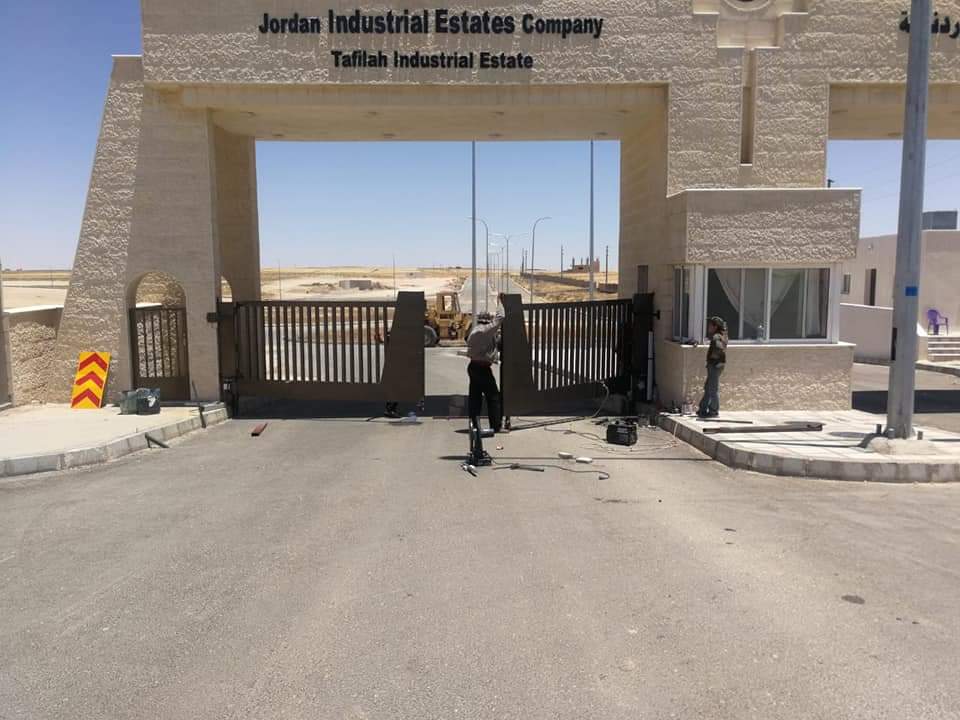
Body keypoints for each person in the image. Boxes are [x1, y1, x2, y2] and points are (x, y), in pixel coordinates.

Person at [466, 311, 504, 433]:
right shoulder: (485, 330)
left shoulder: (475, 329)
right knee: (493, 397)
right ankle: (496, 426)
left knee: (475, 398)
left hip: (474, 366)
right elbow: (500, 318)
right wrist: (500, 305)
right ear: (488, 321)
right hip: (482, 369)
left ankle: (474, 426)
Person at [697, 316, 728, 418]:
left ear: (715, 326)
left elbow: (719, 350)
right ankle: (702, 409)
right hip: (715, 365)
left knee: (713, 389)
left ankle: (713, 411)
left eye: (710, 325)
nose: (708, 327)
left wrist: (713, 362)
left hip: (715, 366)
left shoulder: (716, 337)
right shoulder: (721, 336)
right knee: (708, 387)